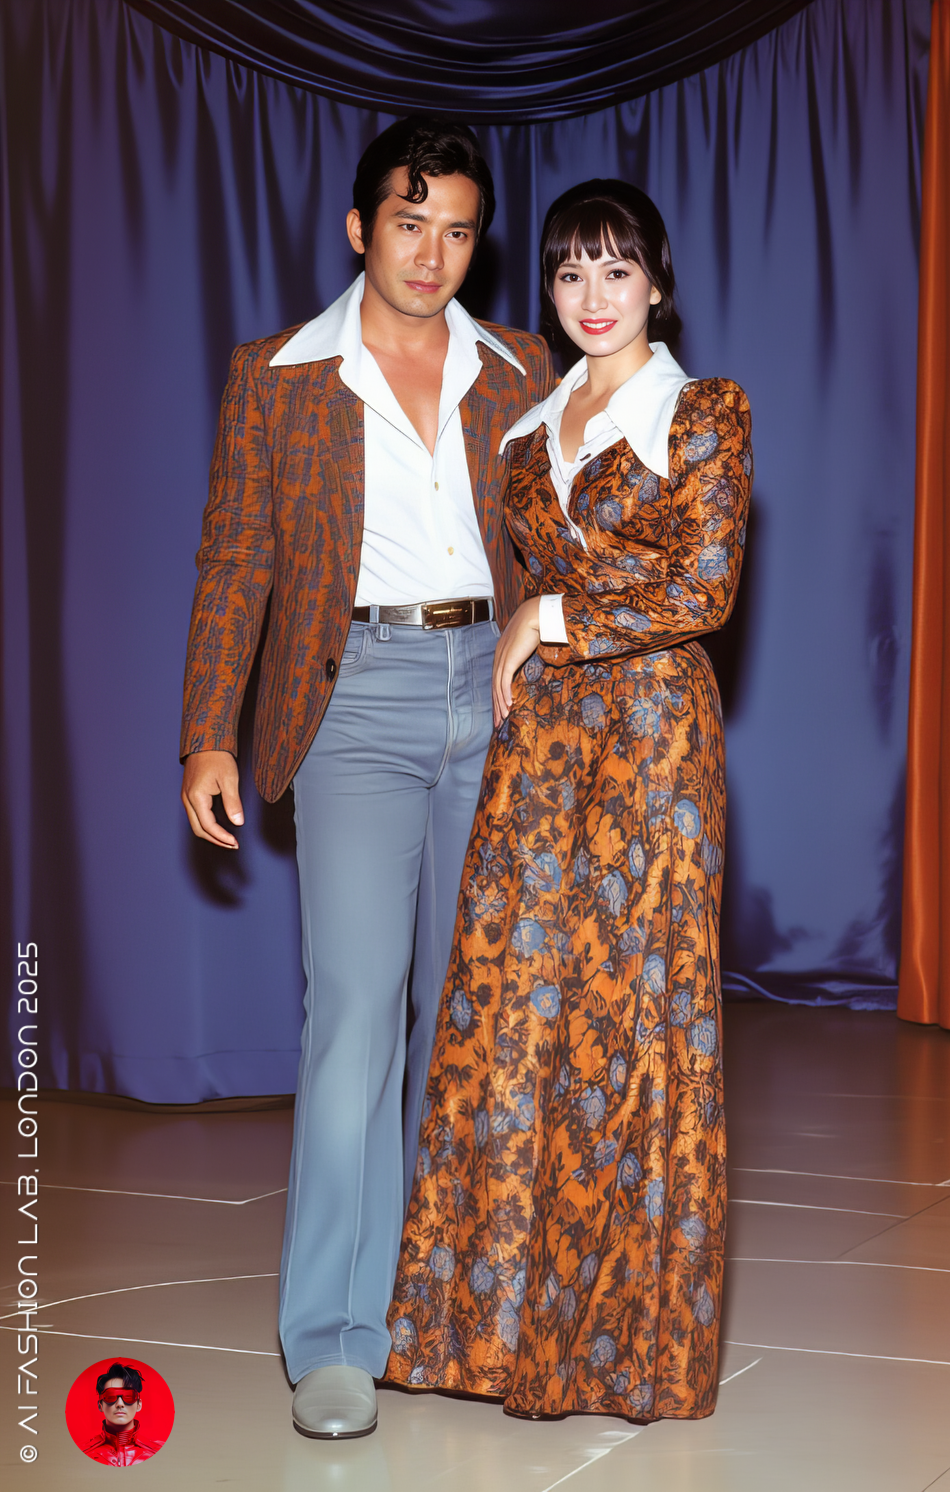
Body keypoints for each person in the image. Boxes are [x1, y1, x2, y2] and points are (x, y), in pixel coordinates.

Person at [179, 118, 554, 1439]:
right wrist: (208, 731)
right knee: (355, 1015)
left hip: (497, 697)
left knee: (473, 1019)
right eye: (408, 225)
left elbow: (563, 540)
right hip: (354, 700)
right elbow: (237, 560)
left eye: (456, 231)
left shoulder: (521, 368)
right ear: (359, 229)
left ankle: (451, 1312)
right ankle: (335, 1336)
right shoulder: (278, 375)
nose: (431, 254)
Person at [385, 179, 751, 1421]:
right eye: (568, 271)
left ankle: (624, 1349)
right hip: (540, 742)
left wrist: (548, 614)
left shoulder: (703, 411)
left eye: (615, 268)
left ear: (656, 281)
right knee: (511, 1013)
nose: (592, 295)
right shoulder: (525, 430)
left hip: (653, 737)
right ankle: (487, 1338)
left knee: (634, 1019)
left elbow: (703, 588)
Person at [84, 1363, 159, 1465]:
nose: (120, 1404)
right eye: (110, 1396)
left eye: (128, 1396)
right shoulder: (83, 1452)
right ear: (100, 1405)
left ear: (139, 1404)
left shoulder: (157, 1451)